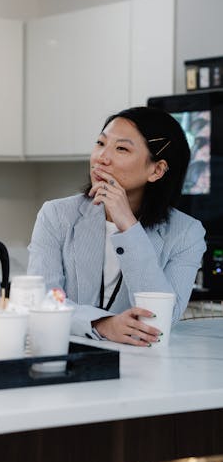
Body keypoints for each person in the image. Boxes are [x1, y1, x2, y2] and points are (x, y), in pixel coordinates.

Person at [27, 106, 206, 345]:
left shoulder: (187, 233)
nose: (102, 157)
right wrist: (101, 324)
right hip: (65, 354)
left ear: (157, 169)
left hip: (144, 367)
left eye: (121, 148)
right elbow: (40, 301)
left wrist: (129, 228)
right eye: (100, 143)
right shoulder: (57, 215)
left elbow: (163, 320)